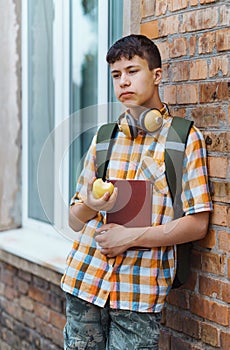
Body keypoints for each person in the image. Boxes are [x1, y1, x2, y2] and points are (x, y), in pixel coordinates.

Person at [61, 34, 213, 349]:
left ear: (156, 75)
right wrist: (90, 203)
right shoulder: (104, 138)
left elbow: (197, 224)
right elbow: (75, 221)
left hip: (138, 295)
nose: (123, 82)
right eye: (116, 75)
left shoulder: (184, 139)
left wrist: (128, 238)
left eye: (132, 71)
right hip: (84, 282)